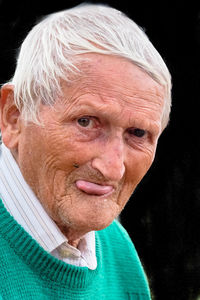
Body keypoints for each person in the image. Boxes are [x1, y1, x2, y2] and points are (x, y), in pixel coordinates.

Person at [0, 3, 171, 299]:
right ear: (15, 116)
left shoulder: (117, 252)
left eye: (138, 133)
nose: (112, 168)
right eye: (86, 122)